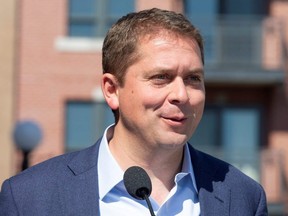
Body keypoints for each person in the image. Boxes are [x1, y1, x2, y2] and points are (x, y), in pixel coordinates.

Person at [0, 8, 267, 215]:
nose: (182, 95)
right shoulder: (29, 198)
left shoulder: (243, 196)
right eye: (161, 77)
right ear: (112, 90)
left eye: (193, 78)